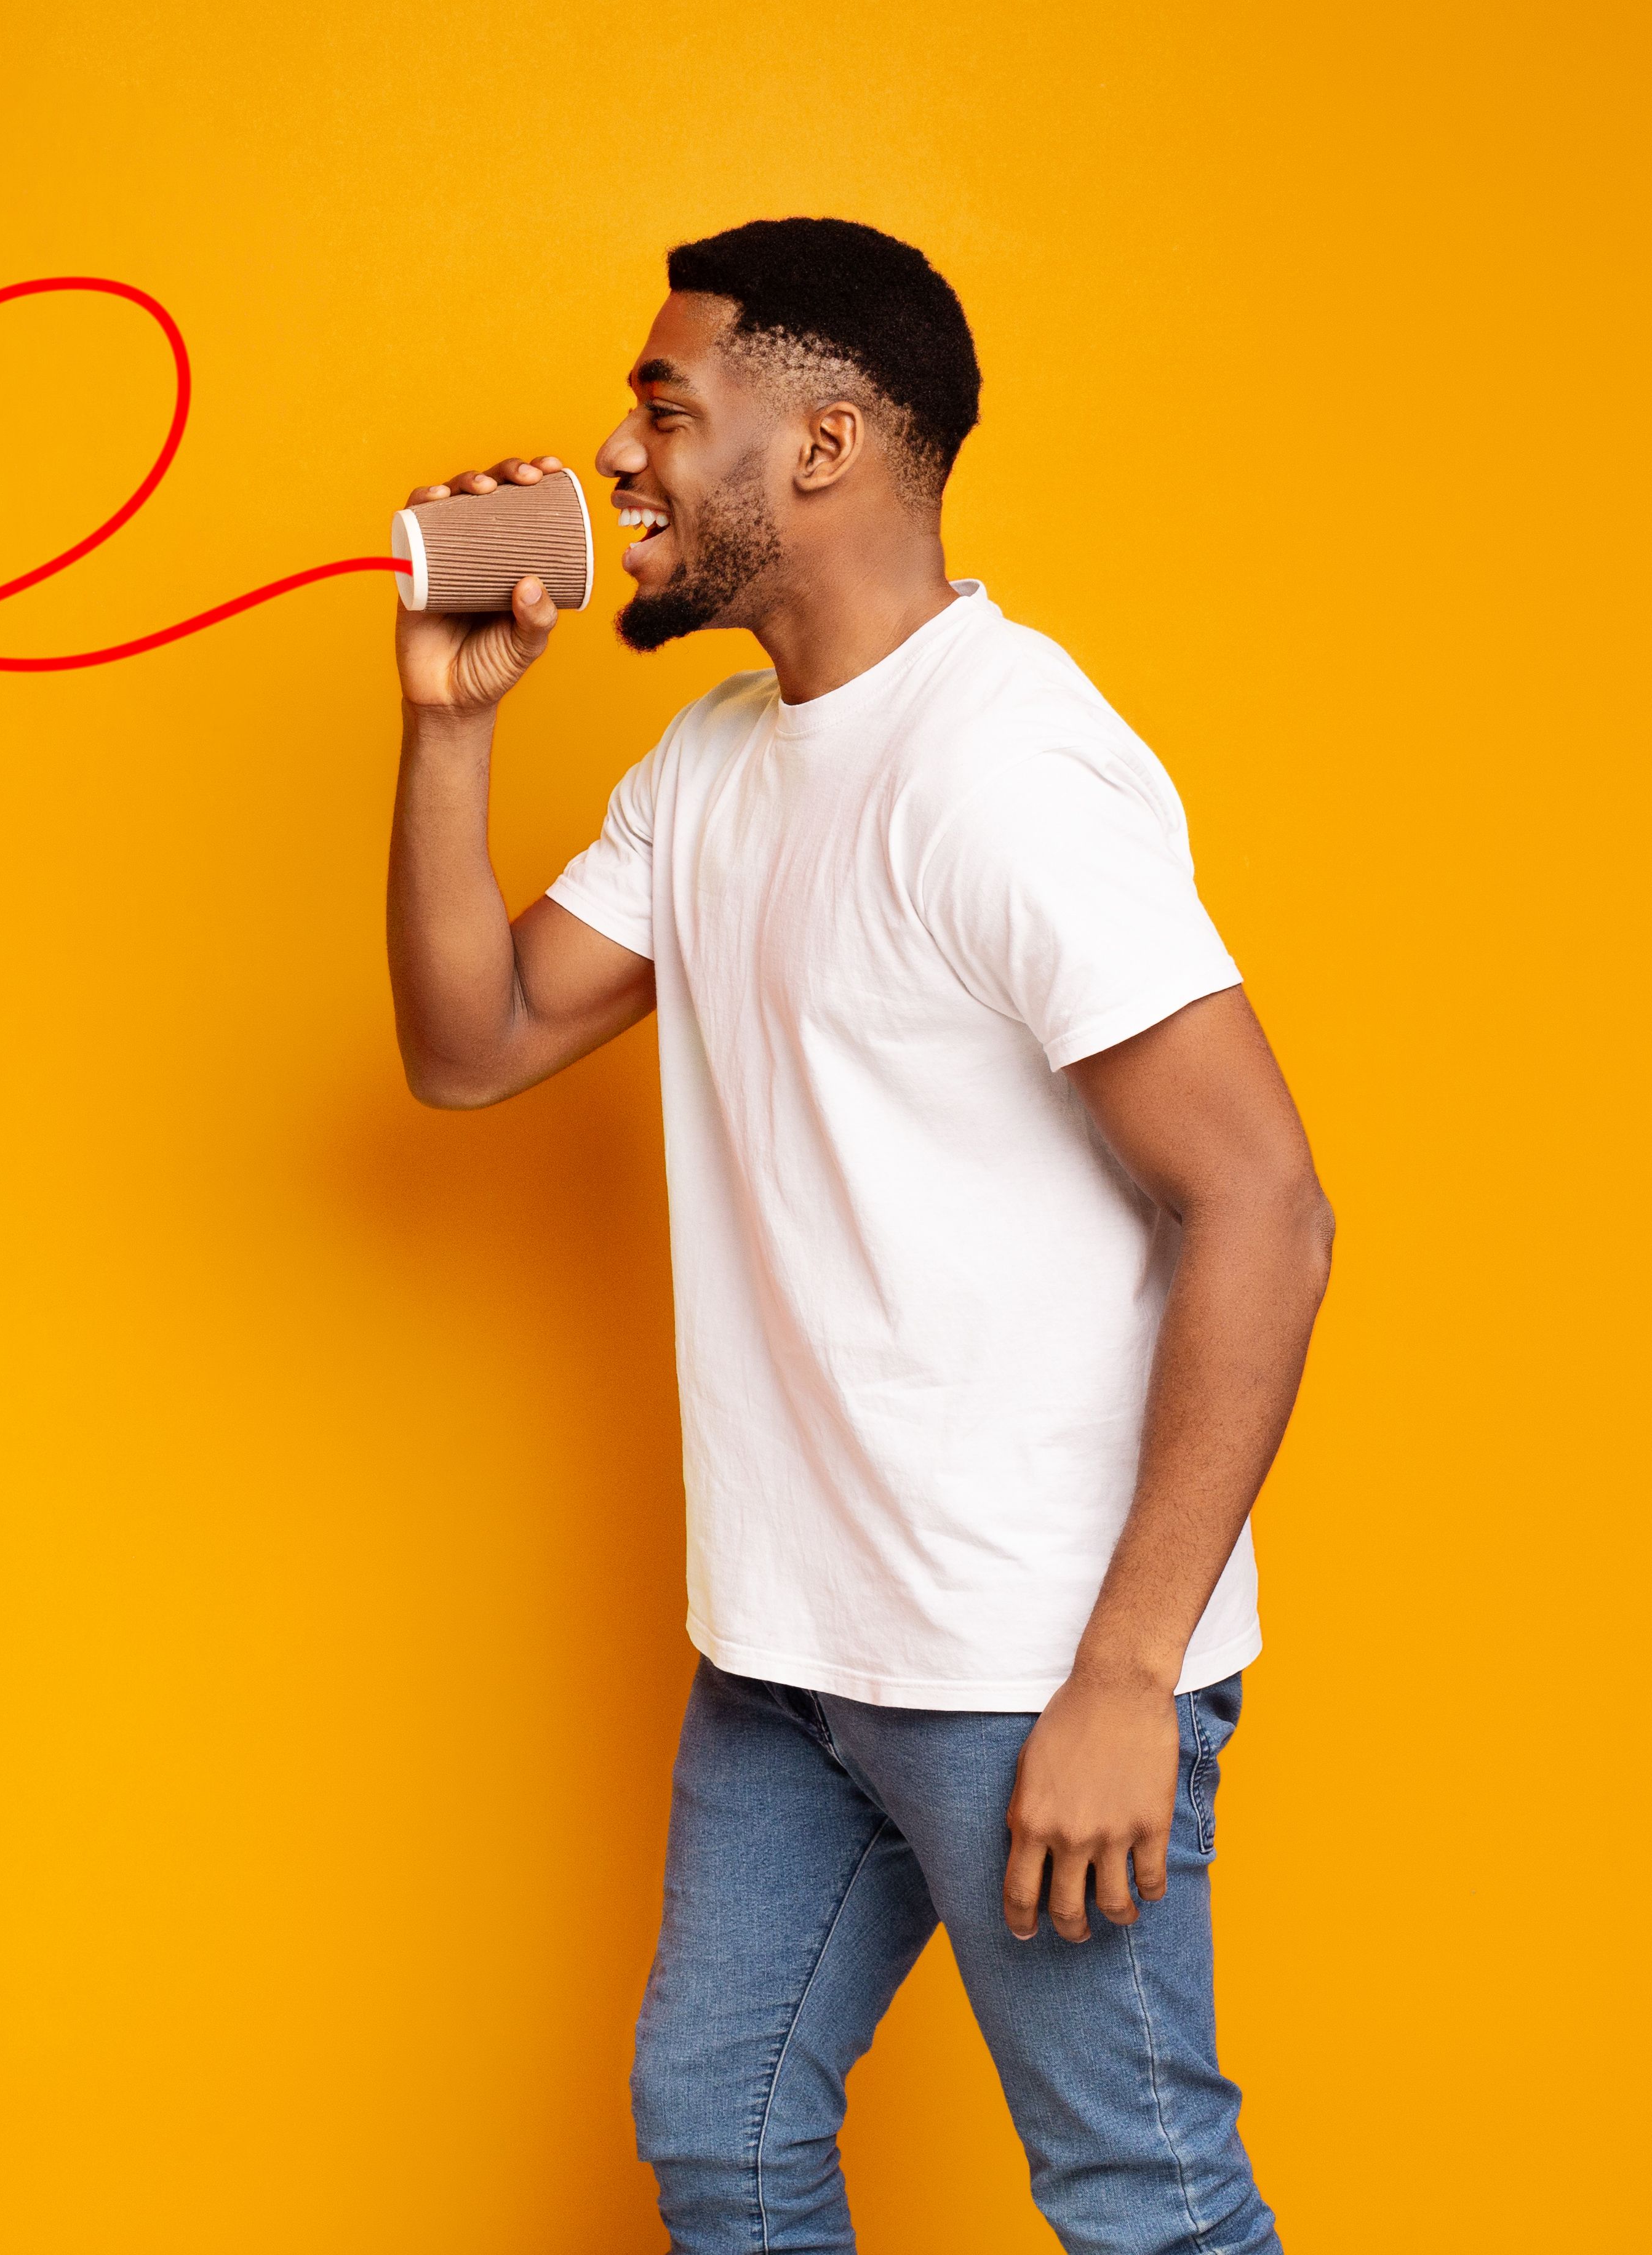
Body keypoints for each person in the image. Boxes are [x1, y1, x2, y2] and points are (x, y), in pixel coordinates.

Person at [382, 218, 1328, 2253]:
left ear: (822, 446)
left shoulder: (1006, 770)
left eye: (663, 408)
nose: (617, 458)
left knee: (1145, 2197)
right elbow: (472, 1047)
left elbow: (1264, 1198)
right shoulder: (714, 764)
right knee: (722, 2138)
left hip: (1024, 1653)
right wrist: (451, 724)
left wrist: (1126, 1677)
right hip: (793, 1648)